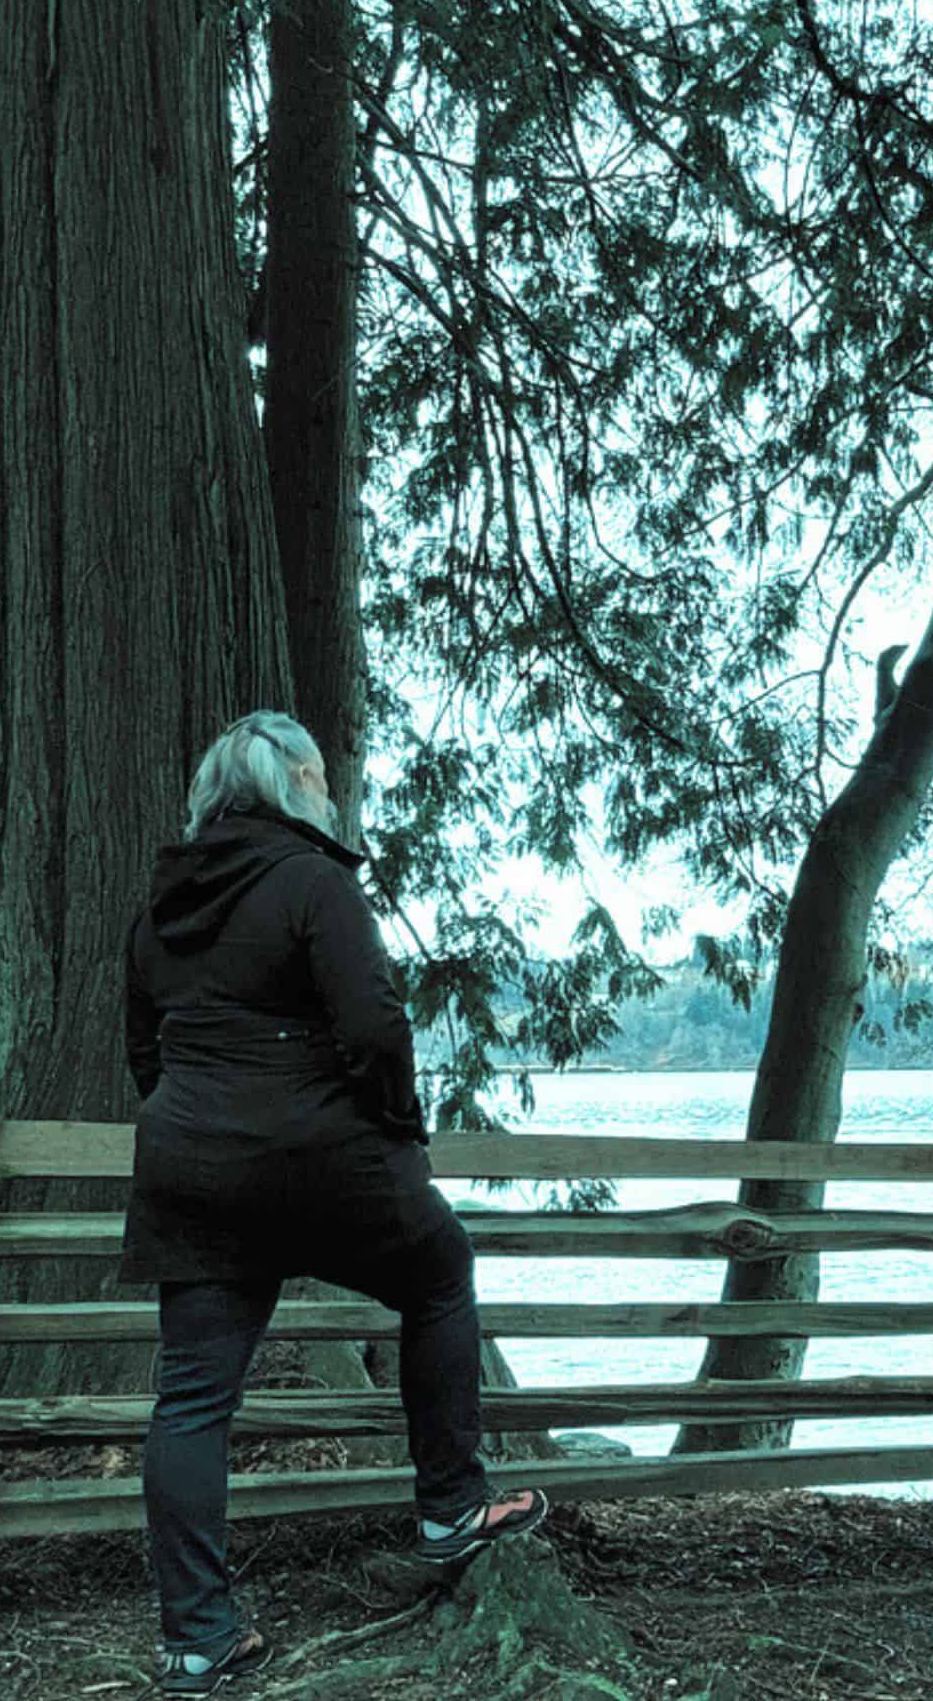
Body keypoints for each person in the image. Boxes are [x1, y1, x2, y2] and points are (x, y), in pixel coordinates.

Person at [120, 710, 546, 1698]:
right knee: (439, 1272)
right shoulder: (315, 882)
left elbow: (145, 1055)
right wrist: (395, 1127)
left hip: (190, 1169)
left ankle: (196, 1640)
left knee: (190, 1401)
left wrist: (196, 1123)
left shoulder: (157, 912)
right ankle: (449, 1508)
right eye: (318, 775)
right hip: (322, 1158)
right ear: (292, 787)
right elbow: (375, 1025)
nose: (329, 790)